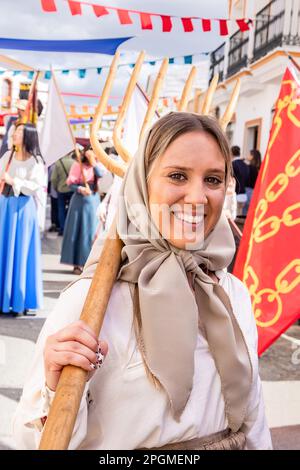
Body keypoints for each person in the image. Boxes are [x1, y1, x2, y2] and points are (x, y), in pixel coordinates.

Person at [12, 113, 272, 450]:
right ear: (142, 182)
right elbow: (30, 439)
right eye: (177, 176)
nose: (197, 197)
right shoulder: (90, 301)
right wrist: (52, 386)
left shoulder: (232, 294)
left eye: (212, 179)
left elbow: (255, 418)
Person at [0, 123, 44, 316]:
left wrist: (13, 181)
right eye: (15, 131)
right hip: (6, 206)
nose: (15, 134)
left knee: (22, 252)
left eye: (19, 131)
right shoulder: (7, 155)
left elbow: (35, 187)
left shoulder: (36, 162)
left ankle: (20, 300)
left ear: (28, 136)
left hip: (24, 209)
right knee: (4, 250)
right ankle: (4, 299)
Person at [60, 145, 103, 275]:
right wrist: (80, 189)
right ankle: (77, 263)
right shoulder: (77, 165)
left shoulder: (97, 166)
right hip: (79, 201)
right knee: (78, 230)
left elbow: (101, 175)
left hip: (94, 200)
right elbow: (70, 183)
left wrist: (94, 163)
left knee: (91, 232)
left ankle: (89, 263)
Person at [51, 151, 75, 236]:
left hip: (61, 190)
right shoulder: (74, 162)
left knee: (61, 209)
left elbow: (53, 178)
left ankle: (62, 229)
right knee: (70, 209)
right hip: (71, 189)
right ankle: (70, 228)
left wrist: (55, 187)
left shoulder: (58, 163)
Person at [242, 149, 261, 216]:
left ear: (252, 156)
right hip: (255, 191)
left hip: (248, 190)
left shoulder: (250, 167)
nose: (248, 156)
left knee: (245, 210)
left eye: (250, 154)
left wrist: (243, 160)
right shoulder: (258, 168)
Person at [231, 145, 249, 216]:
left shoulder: (233, 164)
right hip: (244, 194)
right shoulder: (245, 165)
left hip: (234, 194)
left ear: (231, 153)